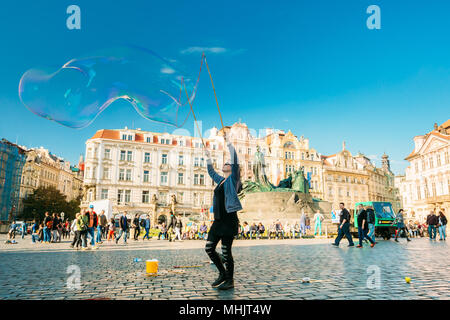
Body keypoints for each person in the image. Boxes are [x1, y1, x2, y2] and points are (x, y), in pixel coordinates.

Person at [204, 133, 242, 290]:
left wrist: (228, 143)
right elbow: (211, 172)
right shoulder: (221, 181)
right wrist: (208, 158)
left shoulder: (233, 180)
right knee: (209, 248)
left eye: (228, 163)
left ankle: (229, 280)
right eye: (225, 163)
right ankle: (222, 273)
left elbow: (235, 161)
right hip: (218, 220)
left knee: (227, 253)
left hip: (229, 220)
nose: (226, 164)